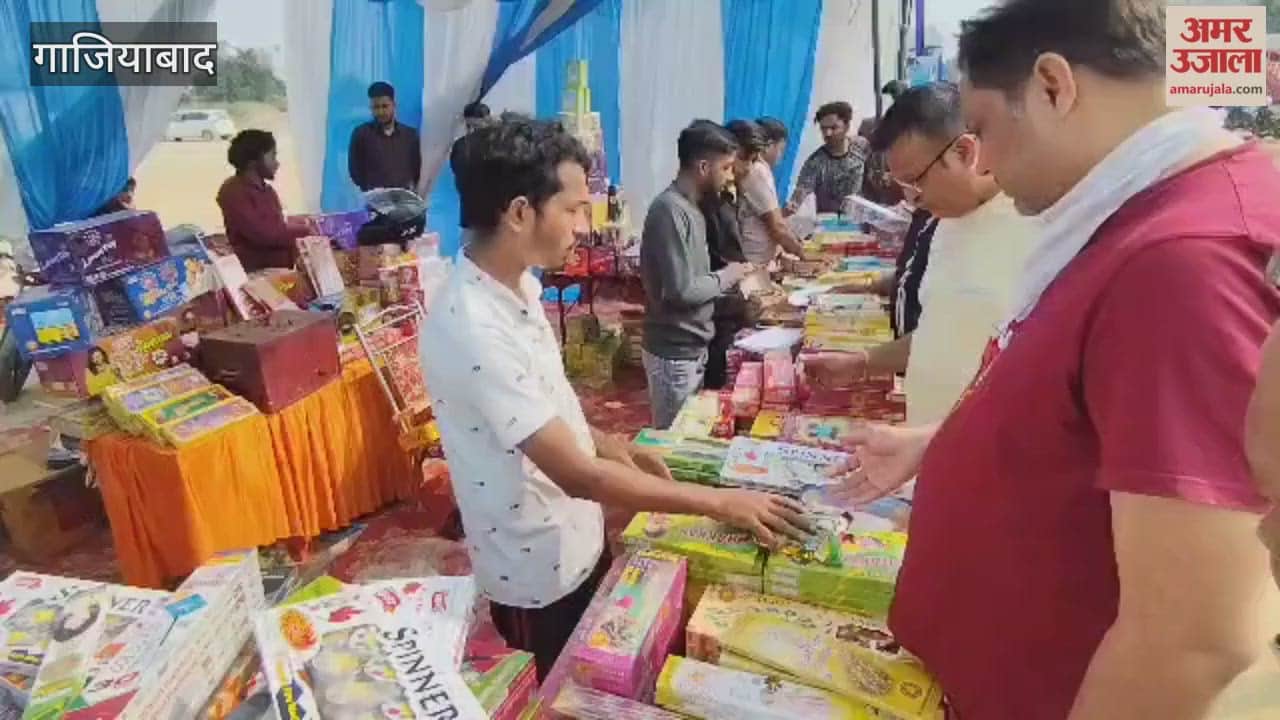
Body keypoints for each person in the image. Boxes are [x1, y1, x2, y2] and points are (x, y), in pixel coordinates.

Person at [824, 2, 1280, 717]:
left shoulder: (1184, 262)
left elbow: (1197, 637)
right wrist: (943, 446)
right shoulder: (1134, 220)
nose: (987, 161)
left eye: (980, 129)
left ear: (1053, 86)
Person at [419, 115, 806, 678]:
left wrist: (613, 444)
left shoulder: (520, 285)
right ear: (521, 213)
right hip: (535, 567)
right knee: (557, 685)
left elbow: (542, 407)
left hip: (574, 532)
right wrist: (724, 503)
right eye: (574, 209)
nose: (583, 225)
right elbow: (577, 475)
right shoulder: (474, 326)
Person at [809, 83, 1034, 427]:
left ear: (964, 151)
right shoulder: (945, 222)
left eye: (916, 181)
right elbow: (938, 331)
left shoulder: (1036, 228)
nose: (913, 199)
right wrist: (862, 363)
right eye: (902, 185)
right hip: (929, 449)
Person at [640, 121, 753, 429]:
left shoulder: (692, 208)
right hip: (674, 352)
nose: (730, 177)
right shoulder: (670, 211)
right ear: (704, 167)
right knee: (673, 444)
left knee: (689, 437)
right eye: (727, 168)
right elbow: (682, 291)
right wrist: (728, 275)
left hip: (691, 348)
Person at [216, 130, 311, 272]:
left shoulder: (268, 191)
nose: (277, 163)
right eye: (272, 156)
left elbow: (277, 226)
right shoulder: (233, 191)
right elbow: (265, 235)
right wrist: (308, 230)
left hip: (281, 268)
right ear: (253, 161)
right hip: (255, 271)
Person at [725, 120, 806, 265]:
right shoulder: (758, 171)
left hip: (752, 262)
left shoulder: (752, 169)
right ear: (768, 146)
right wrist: (804, 254)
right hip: (752, 262)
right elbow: (777, 228)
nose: (780, 156)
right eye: (781, 149)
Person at [785, 101, 868, 216]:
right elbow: (801, 192)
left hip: (860, 219)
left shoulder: (861, 146)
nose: (828, 133)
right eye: (823, 128)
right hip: (830, 224)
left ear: (847, 127)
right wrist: (792, 206)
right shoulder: (815, 162)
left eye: (834, 128)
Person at [348, 82, 422, 192]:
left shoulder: (410, 136)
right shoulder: (361, 134)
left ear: (394, 105)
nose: (380, 112)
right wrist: (370, 189)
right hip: (374, 201)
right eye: (376, 107)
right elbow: (354, 169)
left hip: (404, 201)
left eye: (385, 106)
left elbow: (416, 168)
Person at [449, 101, 492, 181]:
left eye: (476, 126)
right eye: (468, 126)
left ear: (488, 121)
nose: (471, 130)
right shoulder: (461, 145)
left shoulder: (499, 142)